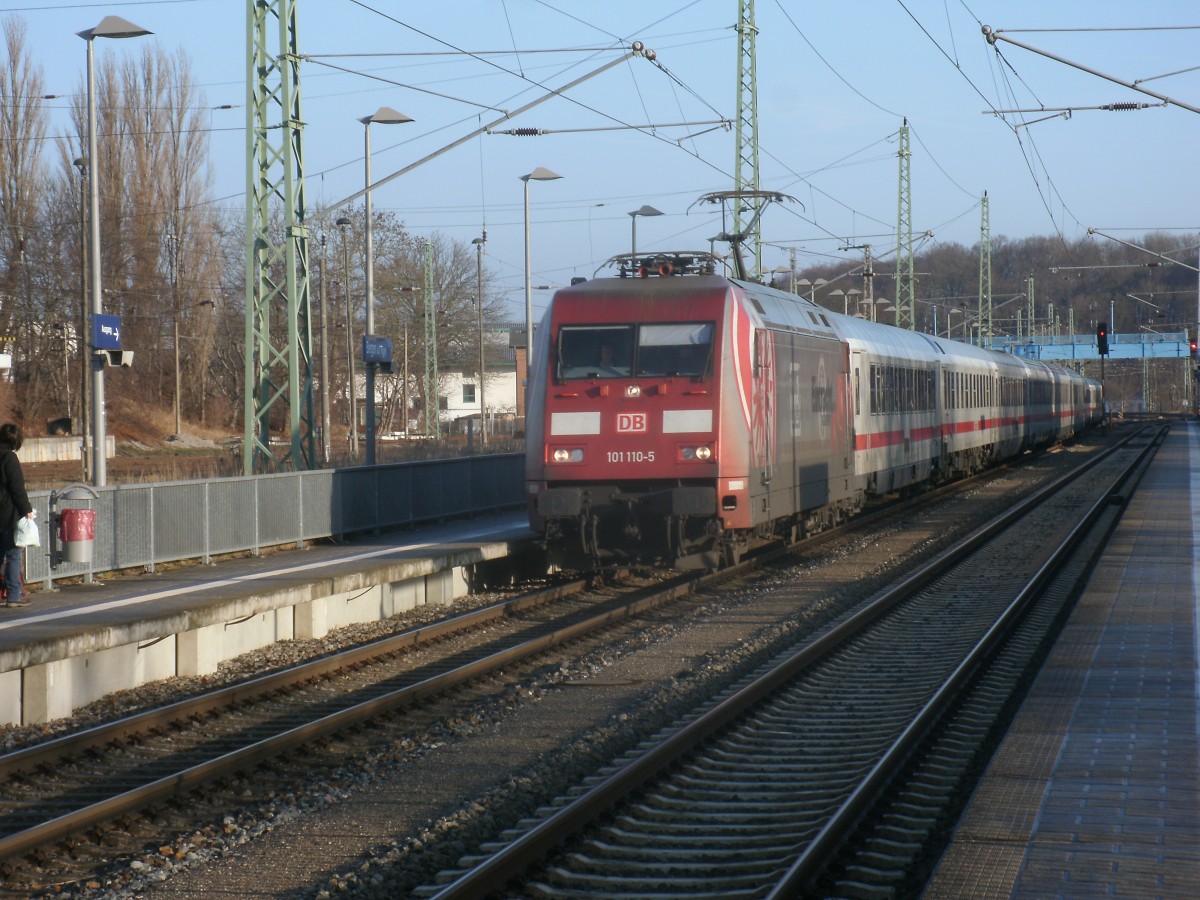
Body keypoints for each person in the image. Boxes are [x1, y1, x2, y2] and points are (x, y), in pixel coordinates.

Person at [0, 423, 34, 608]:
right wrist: (26, 509)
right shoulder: (9, 458)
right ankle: (14, 595)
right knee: (13, 554)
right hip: (6, 513)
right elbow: (17, 488)